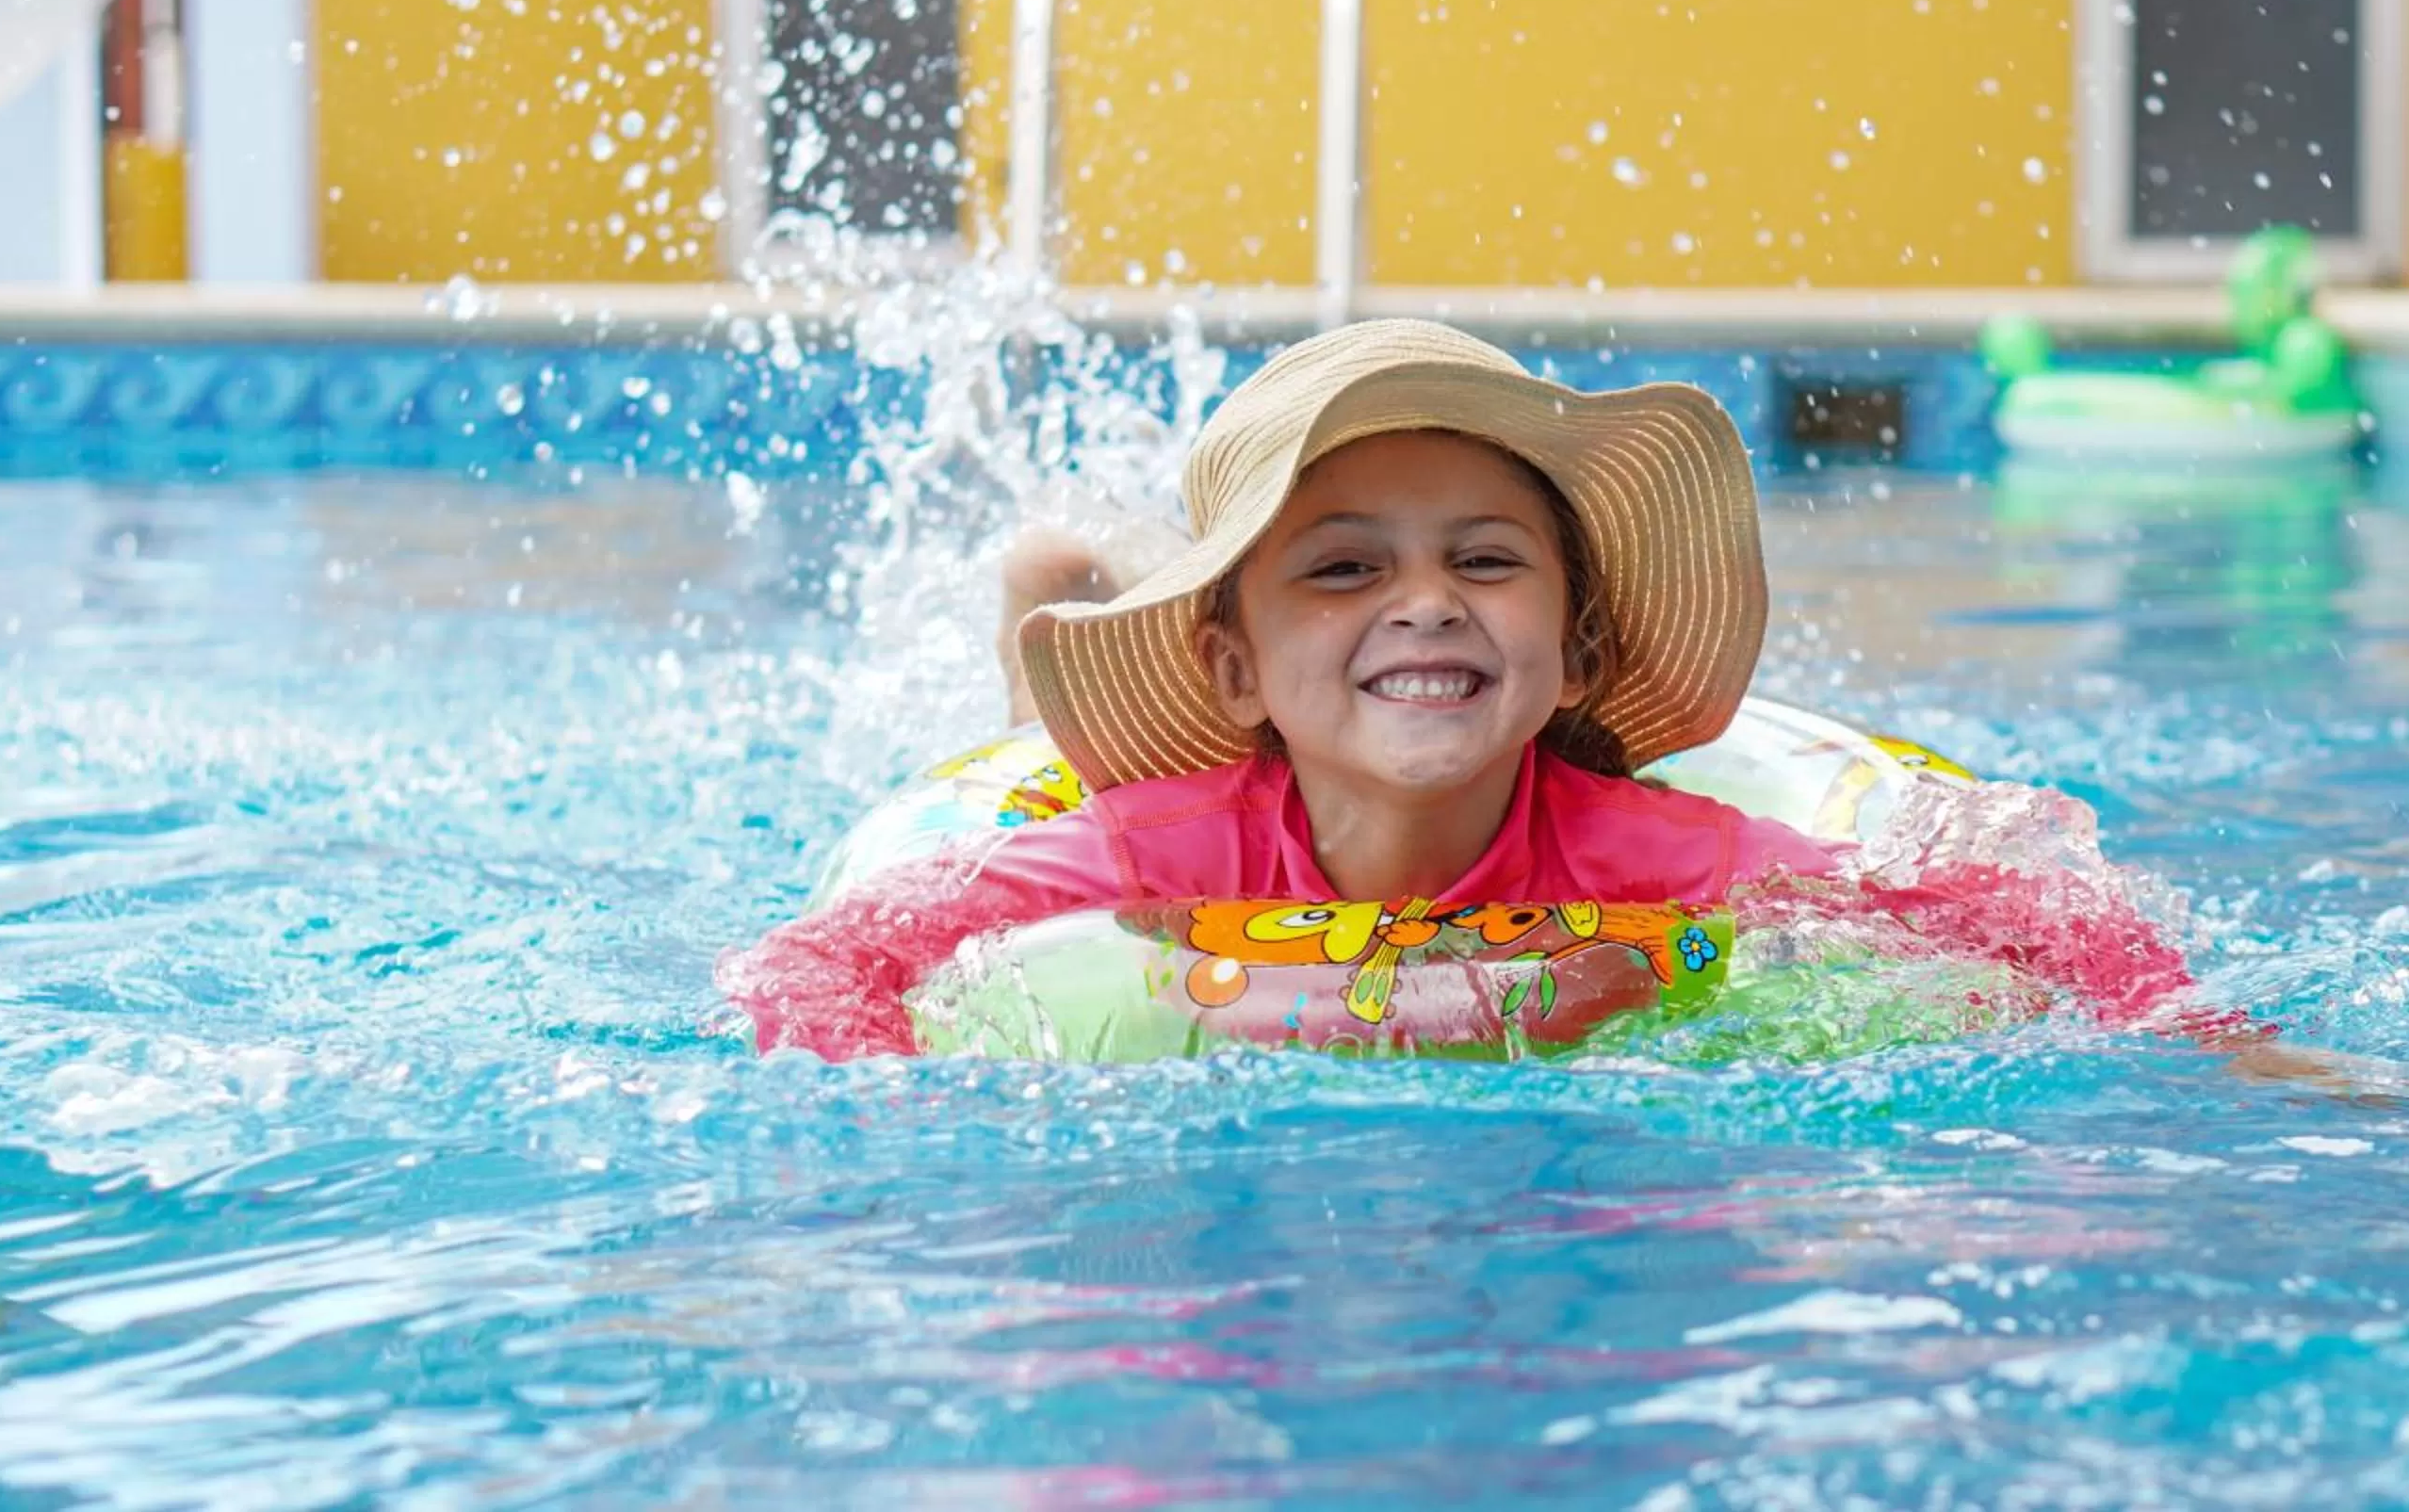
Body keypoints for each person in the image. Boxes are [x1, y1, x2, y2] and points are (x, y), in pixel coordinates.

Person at [722, 319, 2279, 1068]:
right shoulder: (1150, 846)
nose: (1424, 601)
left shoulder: (1641, 850)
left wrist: (2206, 1032)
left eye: (1486, 560)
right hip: (1153, 784)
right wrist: (876, 1103)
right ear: (1233, 668)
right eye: (1342, 569)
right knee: (1025, 741)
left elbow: (1985, 908)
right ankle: (1048, 621)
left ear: (1579, 654)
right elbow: (838, 953)